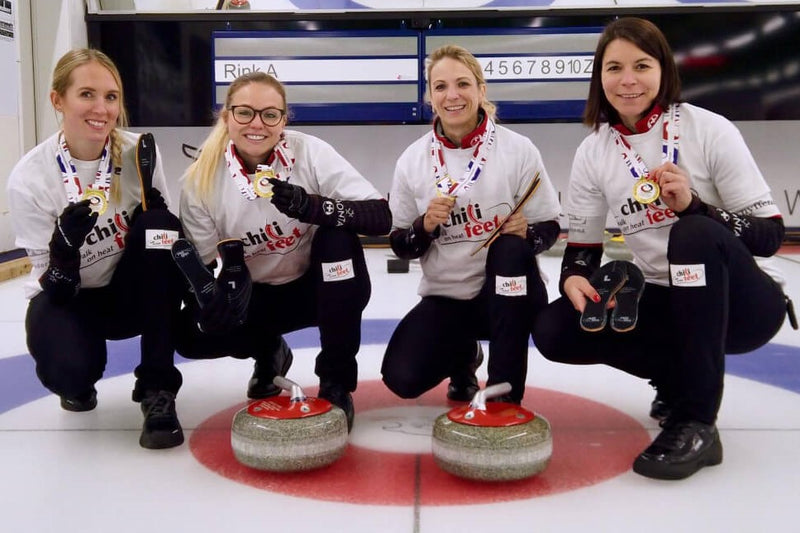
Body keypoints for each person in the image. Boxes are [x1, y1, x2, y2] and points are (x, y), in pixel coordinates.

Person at [532, 17, 794, 480]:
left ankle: (697, 422)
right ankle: (675, 381)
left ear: (663, 70)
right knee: (555, 328)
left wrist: (698, 207)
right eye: (613, 68)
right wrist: (574, 275)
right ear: (599, 78)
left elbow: (769, 236)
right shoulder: (594, 151)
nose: (627, 80)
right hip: (665, 300)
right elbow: (584, 248)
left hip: (739, 304)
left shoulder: (708, 130)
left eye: (641, 65)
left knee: (691, 233)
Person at [173, 72, 391, 431]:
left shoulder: (309, 152)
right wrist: (211, 304)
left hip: (318, 290)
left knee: (338, 240)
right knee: (189, 332)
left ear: (283, 121)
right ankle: (269, 352)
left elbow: (380, 216)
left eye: (270, 114)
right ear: (226, 117)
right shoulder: (201, 179)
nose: (257, 124)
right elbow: (200, 264)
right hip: (257, 298)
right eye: (244, 113)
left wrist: (311, 206)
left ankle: (336, 381)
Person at [6, 49, 185, 449]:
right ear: (58, 100)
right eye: (86, 94)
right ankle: (78, 379)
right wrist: (64, 252)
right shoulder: (31, 179)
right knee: (69, 371)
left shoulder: (139, 152)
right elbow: (49, 283)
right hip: (71, 299)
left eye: (111, 96)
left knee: (161, 228)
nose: (102, 109)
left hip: (128, 293)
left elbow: (166, 241)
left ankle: (158, 388)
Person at [381, 45, 561, 406]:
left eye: (463, 84)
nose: (453, 95)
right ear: (430, 97)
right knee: (402, 376)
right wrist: (424, 226)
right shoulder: (413, 160)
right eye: (441, 87)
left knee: (510, 249)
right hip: (448, 297)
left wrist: (529, 234)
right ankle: (465, 359)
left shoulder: (518, 149)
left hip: (510, 293)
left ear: (481, 90)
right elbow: (400, 244)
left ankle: (503, 396)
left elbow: (551, 226)